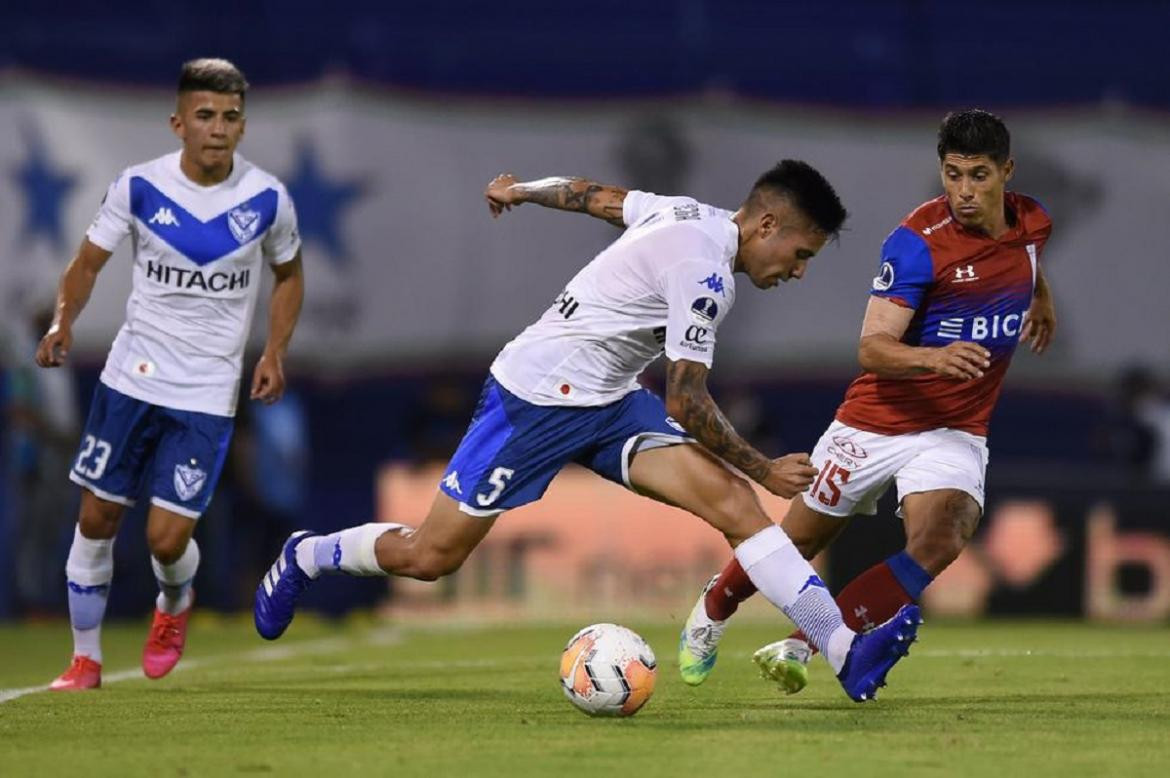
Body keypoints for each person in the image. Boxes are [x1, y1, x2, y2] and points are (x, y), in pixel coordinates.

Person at [255, 161, 921, 703]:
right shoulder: (706, 272)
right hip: (533, 401)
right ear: (767, 223)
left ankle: (843, 653)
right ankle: (307, 556)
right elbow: (688, 402)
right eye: (800, 253)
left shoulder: (685, 211)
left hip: (611, 403)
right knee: (431, 557)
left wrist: (523, 190)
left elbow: (595, 196)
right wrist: (766, 467)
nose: (797, 271)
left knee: (735, 509)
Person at [677, 109, 1057, 693]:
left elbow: (1027, 258)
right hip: (877, 423)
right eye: (952, 174)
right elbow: (872, 348)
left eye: (978, 175)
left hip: (955, 428)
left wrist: (1041, 301)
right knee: (798, 542)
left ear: (1007, 172)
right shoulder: (916, 245)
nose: (964, 191)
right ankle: (714, 610)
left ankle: (806, 645)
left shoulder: (1033, 222)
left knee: (943, 537)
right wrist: (934, 357)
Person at [36, 58, 305, 691]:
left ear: (243, 127)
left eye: (231, 118)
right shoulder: (138, 187)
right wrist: (61, 322)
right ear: (178, 122)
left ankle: (173, 605)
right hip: (130, 378)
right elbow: (85, 265)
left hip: (207, 391)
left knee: (164, 540)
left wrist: (274, 353)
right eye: (205, 116)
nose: (218, 129)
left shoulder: (266, 199)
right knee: (96, 520)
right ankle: (85, 660)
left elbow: (289, 277)